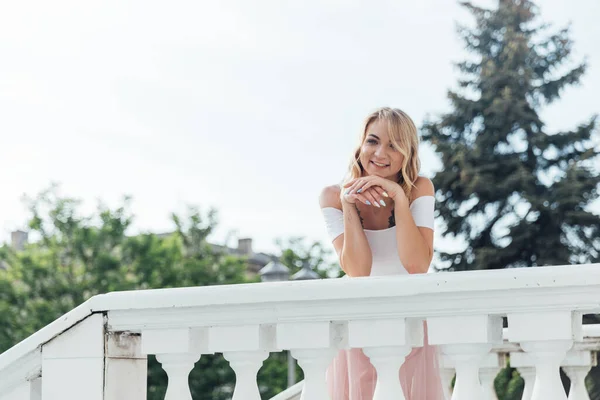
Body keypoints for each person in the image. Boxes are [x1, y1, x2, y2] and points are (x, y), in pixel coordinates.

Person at [319, 107, 445, 399]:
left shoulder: (418, 188)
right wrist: (348, 204)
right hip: (357, 318)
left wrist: (399, 198)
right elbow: (358, 271)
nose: (380, 153)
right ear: (360, 145)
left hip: (410, 318)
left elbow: (417, 265)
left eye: (394, 145)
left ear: (407, 153)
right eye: (373, 141)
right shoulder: (331, 197)